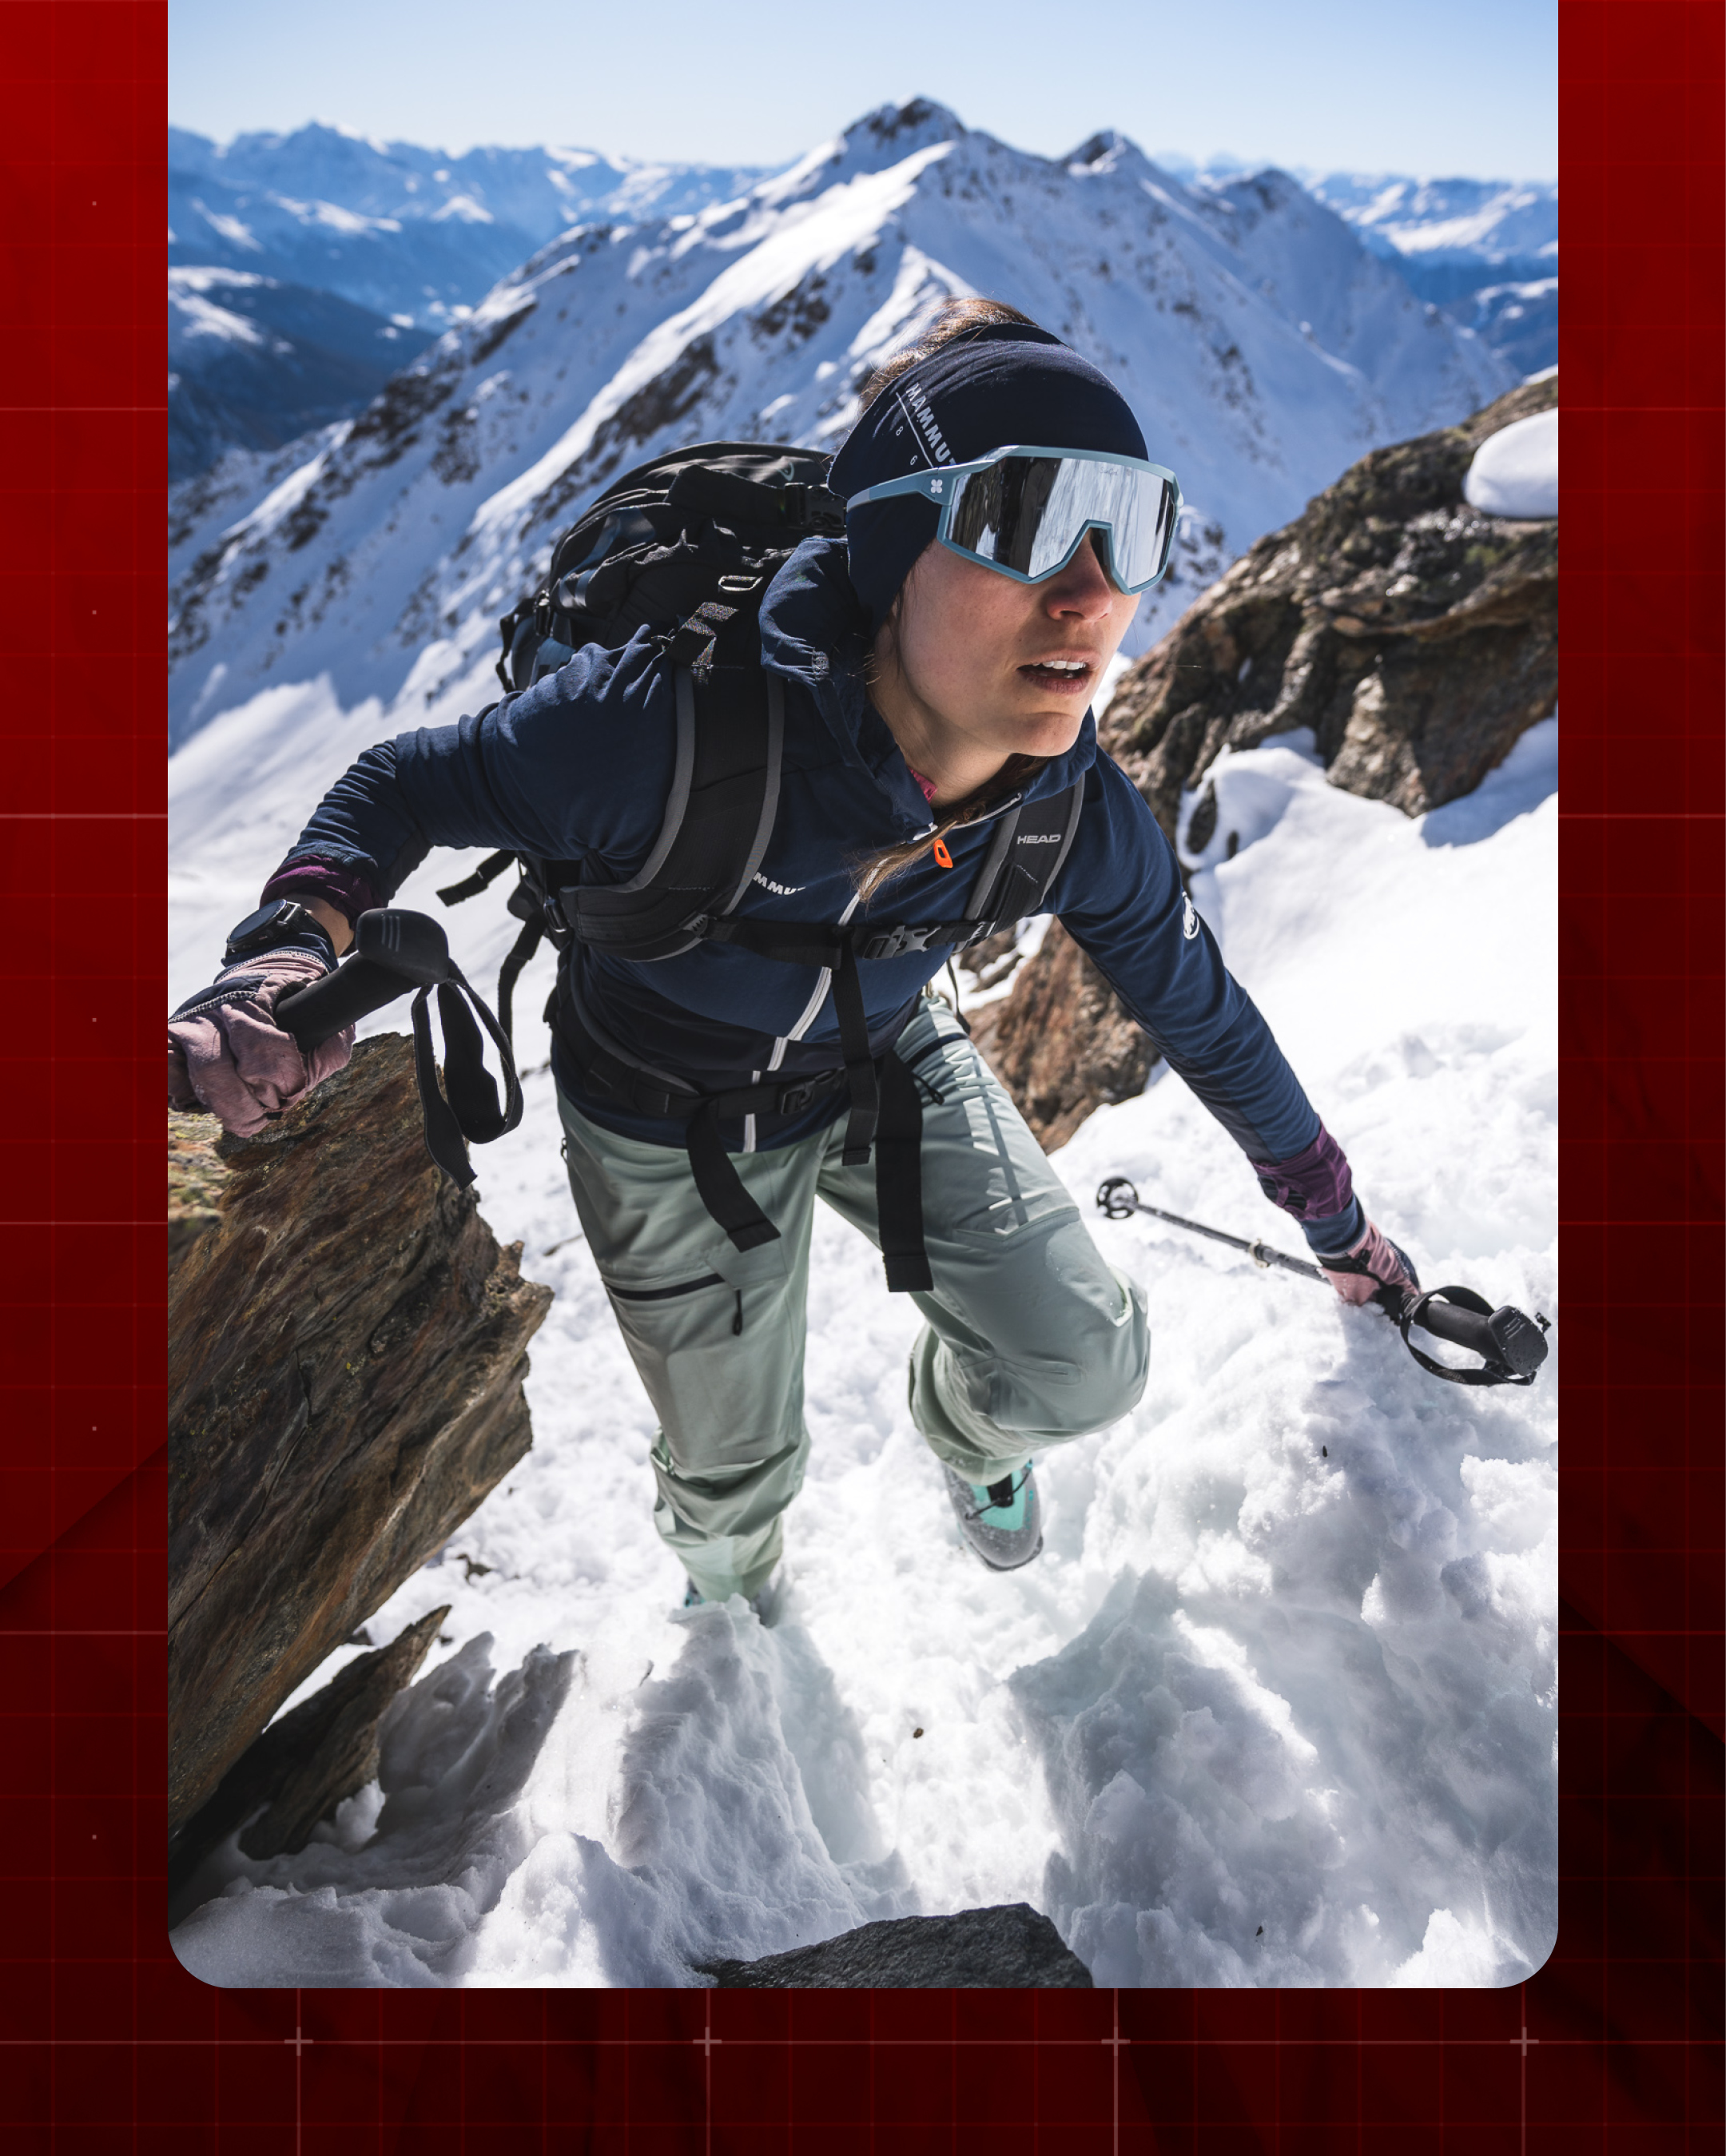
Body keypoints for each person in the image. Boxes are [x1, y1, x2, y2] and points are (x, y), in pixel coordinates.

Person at [169, 301, 1416, 1612]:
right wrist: (281, 958)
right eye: (1023, 519)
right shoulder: (667, 728)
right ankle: (736, 1623)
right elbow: (401, 787)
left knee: (1083, 1365)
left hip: (885, 1055)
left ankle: (973, 1439)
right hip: (665, 1109)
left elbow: (1202, 1013)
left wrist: (1340, 1226)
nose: (1093, 593)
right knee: (735, 1480)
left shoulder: (1071, 812)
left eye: (1134, 525)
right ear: (892, 550)